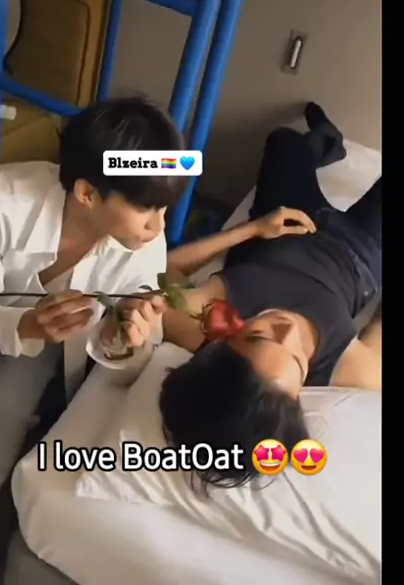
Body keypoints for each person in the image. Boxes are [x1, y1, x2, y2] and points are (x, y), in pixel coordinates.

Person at [103, 103, 382, 489]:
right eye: (298, 359)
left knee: (283, 141)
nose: (287, 328)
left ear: (222, 342)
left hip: (281, 221)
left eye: (259, 335)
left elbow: (163, 269)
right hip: (358, 251)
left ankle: (324, 144)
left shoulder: (200, 321)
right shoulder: (353, 372)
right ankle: (325, 147)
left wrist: (250, 231)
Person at [0, 95, 187, 522]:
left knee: (5, 408)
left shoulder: (144, 244)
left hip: (40, 346)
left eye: (164, 206)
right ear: (88, 193)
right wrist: (24, 325)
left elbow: (127, 357)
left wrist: (121, 338)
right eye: (145, 207)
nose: (159, 225)